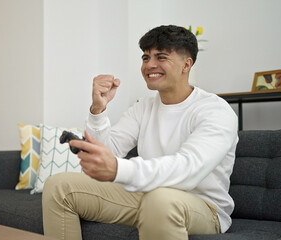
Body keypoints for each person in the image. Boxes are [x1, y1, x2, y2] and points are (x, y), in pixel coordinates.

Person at [42, 25, 239, 240]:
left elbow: (187, 169)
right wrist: (98, 110)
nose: (149, 65)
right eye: (146, 58)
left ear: (186, 64)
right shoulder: (144, 107)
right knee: (59, 186)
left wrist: (118, 169)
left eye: (161, 57)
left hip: (203, 207)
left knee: (161, 200)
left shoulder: (216, 111)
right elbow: (109, 152)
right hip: (148, 195)